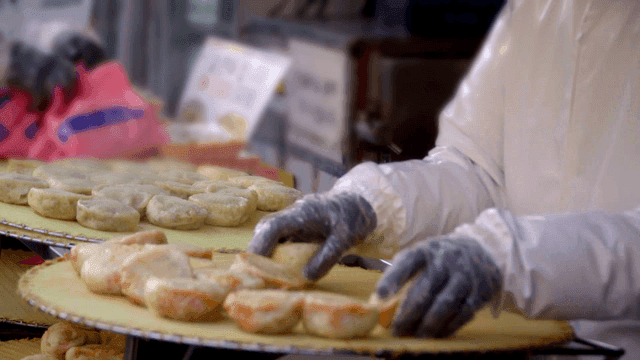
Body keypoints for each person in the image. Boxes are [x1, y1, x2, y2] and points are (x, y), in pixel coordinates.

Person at [248, 0, 640, 358]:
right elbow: (475, 168)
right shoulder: (532, 13)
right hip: (508, 336)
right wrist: (369, 203)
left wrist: (508, 260)